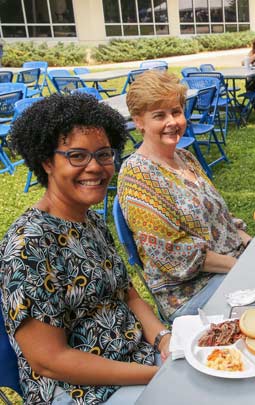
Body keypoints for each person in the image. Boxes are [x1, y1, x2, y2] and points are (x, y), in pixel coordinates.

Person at [1, 94, 169, 404]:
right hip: (82, 392)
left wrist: (164, 338)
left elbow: (126, 292)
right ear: (46, 162)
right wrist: (156, 375)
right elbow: (48, 360)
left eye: (104, 154)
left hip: (138, 361)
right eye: (77, 155)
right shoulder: (29, 246)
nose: (96, 167)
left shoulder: (88, 219)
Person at [118, 71, 252, 321]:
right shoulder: (137, 174)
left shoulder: (185, 157)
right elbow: (172, 252)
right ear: (139, 121)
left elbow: (219, 218)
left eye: (176, 112)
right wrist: (242, 269)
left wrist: (250, 244)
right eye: (159, 115)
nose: (172, 122)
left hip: (229, 265)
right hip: (189, 292)